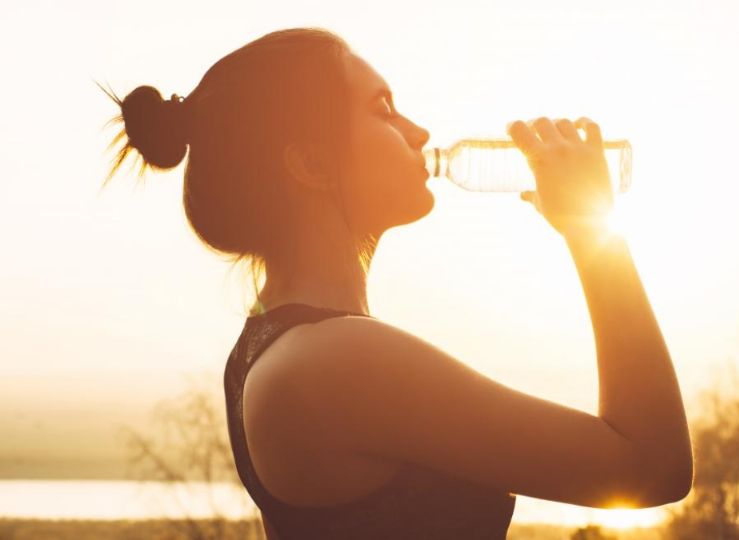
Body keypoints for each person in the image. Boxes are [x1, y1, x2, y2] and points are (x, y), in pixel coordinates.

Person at [100, 27, 692, 540]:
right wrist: (593, 234)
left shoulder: (272, 348)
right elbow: (650, 467)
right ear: (311, 164)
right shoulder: (335, 360)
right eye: (383, 109)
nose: (418, 131)